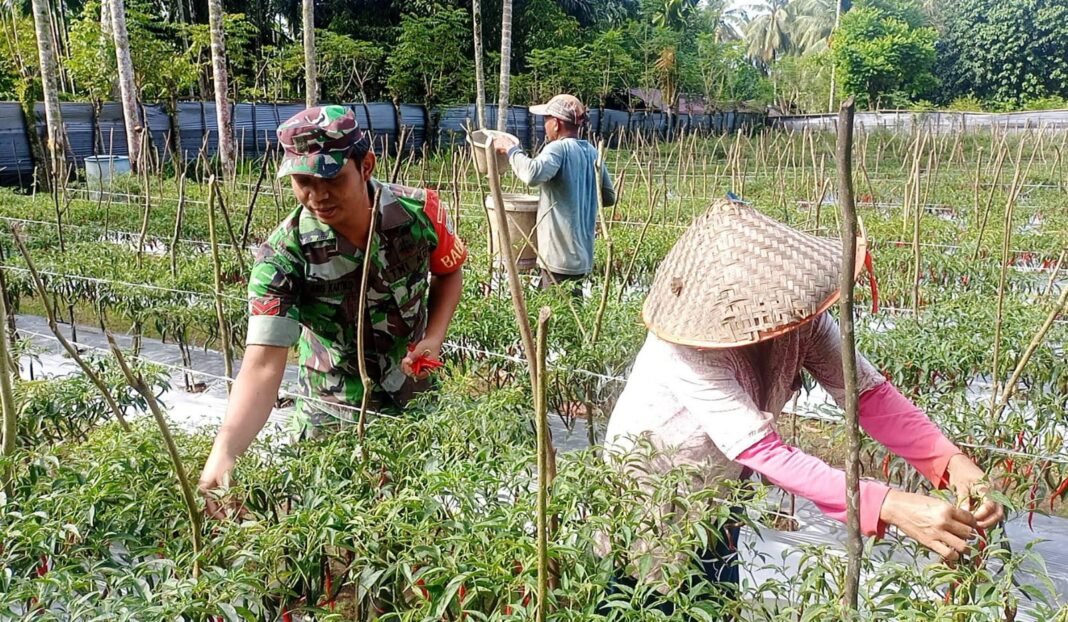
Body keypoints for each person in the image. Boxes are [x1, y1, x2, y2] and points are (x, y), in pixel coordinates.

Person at [598, 197, 1003, 612]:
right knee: (643, 595)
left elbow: (867, 394)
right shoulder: (685, 349)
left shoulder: (799, 317)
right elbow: (765, 452)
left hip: (721, 484)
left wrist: (951, 463)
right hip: (653, 480)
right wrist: (888, 504)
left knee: (714, 593)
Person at [198, 106, 467, 516]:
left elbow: (448, 273)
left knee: (419, 519)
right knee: (338, 534)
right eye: (303, 181)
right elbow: (263, 365)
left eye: (331, 178)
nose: (317, 195)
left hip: (414, 397)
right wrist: (225, 451)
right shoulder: (283, 257)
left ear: (366, 166)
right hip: (332, 411)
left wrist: (433, 337)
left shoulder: (420, 213)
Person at [492, 94, 616, 295]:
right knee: (570, 310)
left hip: (558, 257)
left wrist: (511, 149)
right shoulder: (592, 152)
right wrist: (580, 191)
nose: (545, 125)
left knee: (555, 315)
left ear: (557, 124)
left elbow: (532, 174)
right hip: (582, 256)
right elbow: (609, 197)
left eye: (546, 120)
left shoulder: (557, 149)